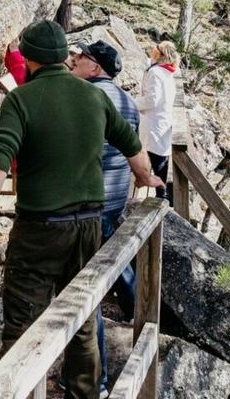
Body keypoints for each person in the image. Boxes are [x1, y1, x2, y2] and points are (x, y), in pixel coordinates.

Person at [0, 20, 162, 399]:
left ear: (29, 59)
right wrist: (148, 179)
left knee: (21, 326)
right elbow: (133, 148)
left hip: (39, 229)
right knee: (81, 322)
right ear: (64, 57)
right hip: (88, 226)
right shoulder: (93, 96)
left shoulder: (21, 99)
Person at [69, 38, 138, 395]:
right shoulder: (127, 101)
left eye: (81, 56)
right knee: (109, 269)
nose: (74, 59)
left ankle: (95, 379)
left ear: (95, 68)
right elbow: (131, 152)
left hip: (87, 205)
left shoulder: (88, 98)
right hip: (113, 202)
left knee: (85, 291)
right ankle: (138, 312)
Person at [137, 37, 180, 198]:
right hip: (161, 121)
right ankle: (161, 194)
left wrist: (132, 102)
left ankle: (160, 196)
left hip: (153, 122)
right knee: (160, 159)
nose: (153, 48)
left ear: (160, 53)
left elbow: (151, 100)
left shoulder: (156, 73)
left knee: (155, 160)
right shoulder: (167, 72)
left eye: (157, 48)